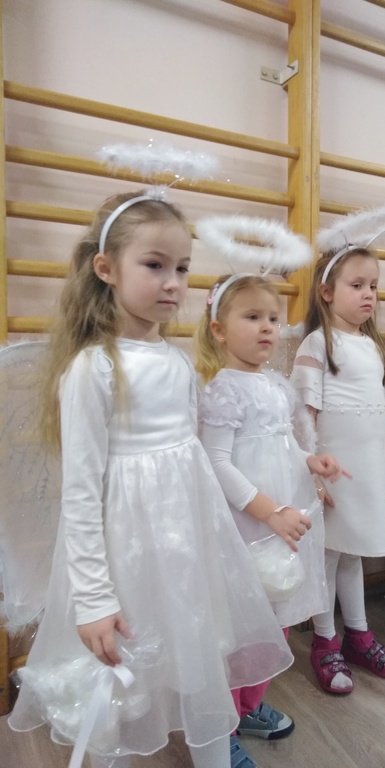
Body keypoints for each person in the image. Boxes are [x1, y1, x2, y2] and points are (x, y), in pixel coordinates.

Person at [8, 191, 293, 768]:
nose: (172, 283)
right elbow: (82, 493)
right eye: (155, 265)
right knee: (123, 680)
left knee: (202, 661)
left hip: (186, 553)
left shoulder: (178, 361)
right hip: (127, 558)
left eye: (182, 268)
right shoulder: (93, 368)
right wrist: (94, 599)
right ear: (106, 268)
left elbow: (189, 469)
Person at [196, 271, 346, 767]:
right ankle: (224, 726)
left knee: (277, 620)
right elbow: (217, 464)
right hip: (249, 525)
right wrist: (271, 512)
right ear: (219, 329)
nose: (267, 327)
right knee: (242, 628)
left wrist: (311, 461)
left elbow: (280, 445)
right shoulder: (221, 390)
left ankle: (249, 706)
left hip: (284, 521)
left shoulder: (275, 386)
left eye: (273, 319)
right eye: (252, 317)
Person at [291, 244, 385, 694]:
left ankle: (358, 635)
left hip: (368, 473)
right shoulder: (318, 343)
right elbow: (304, 417)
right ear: (326, 292)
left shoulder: (376, 347)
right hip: (332, 472)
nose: (368, 294)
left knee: (353, 552)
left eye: (373, 286)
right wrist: (313, 476)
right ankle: (325, 641)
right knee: (328, 554)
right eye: (357, 285)